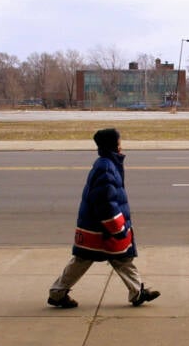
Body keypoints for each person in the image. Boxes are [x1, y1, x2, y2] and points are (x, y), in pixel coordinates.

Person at [47, 128, 160, 309]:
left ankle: (137, 292)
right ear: (113, 144)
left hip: (99, 227)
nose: (121, 144)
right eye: (119, 141)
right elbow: (105, 203)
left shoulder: (107, 164)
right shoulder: (106, 168)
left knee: (119, 259)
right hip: (101, 229)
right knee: (92, 260)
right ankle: (57, 293)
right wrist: (117, 228)